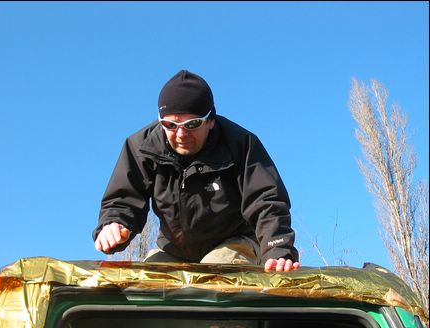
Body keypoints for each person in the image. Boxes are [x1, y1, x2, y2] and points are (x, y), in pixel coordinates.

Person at [93, 69, 300, 272]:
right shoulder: (142, 147)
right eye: (170, 124)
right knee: (148, 284)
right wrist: (114, 223)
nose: (181, 134)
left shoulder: (241, 145)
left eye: (192, 124)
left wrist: (278, 249)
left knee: (212, 274)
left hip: (235, 240)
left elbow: (266, 200)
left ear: (210, 121)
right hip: (175, 249)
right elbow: (124, 198)